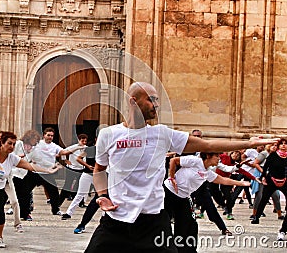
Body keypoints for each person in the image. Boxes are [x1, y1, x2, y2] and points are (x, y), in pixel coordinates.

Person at [85, 82, 277, 253]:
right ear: (133, 102)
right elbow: (99, 169)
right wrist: (103, 195)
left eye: (157, 100)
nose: (156, 105)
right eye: (151, 100)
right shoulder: (109, 135)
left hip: (153, 221)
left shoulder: (162, 134)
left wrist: (248, 143)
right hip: (117, 220)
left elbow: (209, 146)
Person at [164, 153, 251, 252]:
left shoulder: (207, 173)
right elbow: (173, 160)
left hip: (183, 197)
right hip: (168, 193)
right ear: (208, 156)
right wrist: (172, 177)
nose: (219, 158)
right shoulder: (195, 161)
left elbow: (223, 180)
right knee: (164, 223)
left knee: (189, 226)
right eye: (217, 156)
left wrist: (240, 183)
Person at [28, 127, 82, 215]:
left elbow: (64, 152)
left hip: (48, 173)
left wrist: (77, 147)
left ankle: (55, 210)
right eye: (48, 135)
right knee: (25, 191)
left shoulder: (54, 146)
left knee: (54, 193)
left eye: (52, 136)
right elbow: (28, 151)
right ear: (44, 135)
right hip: (36, 172)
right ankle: (20, 209)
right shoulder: (38, 144)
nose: (50, 137)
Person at [252, 138, 287, 224]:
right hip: (271, 180)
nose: (283, 145)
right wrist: (263, 177)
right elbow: (265, 167)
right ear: (278, 146)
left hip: (284, 181)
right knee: (264, 199)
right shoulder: (273, 155)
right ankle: (256, 217)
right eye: (281, 144)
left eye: (285, 144)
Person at [61, 137, 95, 220]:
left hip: (99, 175)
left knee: (103, 194)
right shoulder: (89, 149)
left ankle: (106, 214)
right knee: (80, 193)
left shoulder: (106, 150)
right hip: (87, 173)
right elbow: (78, 158)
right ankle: (69, 213)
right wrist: (88, 166)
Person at [58, 134, 88, 206]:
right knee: (67, 185)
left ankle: (80, 203)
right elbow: (63, 152)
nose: (83, 142)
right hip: (71, 168)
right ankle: (58, 203)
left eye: (85, 141)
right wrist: (65, 160)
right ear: (79, 140)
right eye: (82, 141)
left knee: (79, 186)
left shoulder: (86, 148)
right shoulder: (74, 147)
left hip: (81, 169)